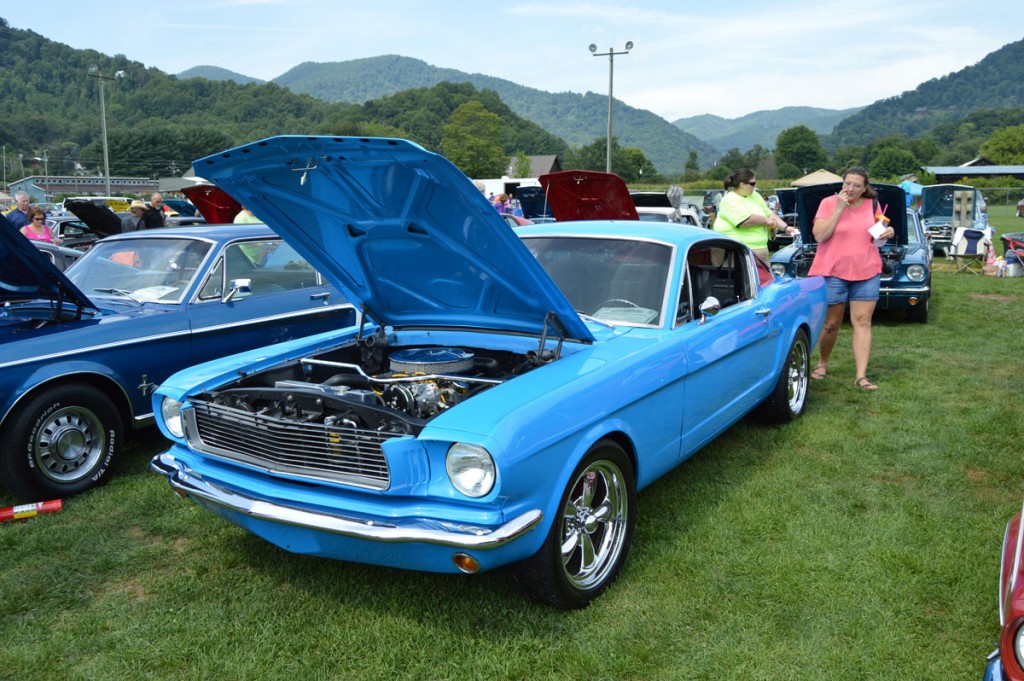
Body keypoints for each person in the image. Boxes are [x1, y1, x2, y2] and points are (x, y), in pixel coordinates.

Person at [807, 166, 895, 391]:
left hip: (867, 271)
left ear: (865, 187)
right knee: (831, 323)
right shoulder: (828, 203)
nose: (851, 188)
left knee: (863, 322)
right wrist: (839, 208)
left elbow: (878, 235)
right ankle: (822, 363)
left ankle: (861, 376)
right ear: (842, 184)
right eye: (848, 184)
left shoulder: (873, 205)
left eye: (857, 185)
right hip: (833, 271)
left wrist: (888, 231)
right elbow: (820, 235)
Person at [712, 168, 796, 262]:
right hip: (736, 252)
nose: (755, 186)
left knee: (766, 276)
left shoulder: (755, 196)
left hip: (760, 251)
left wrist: (786, 228)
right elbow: (745, 221)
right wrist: (765, 220)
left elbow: (769, 214)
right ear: (742, 185)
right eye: (752, 184)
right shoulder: (729, 200)